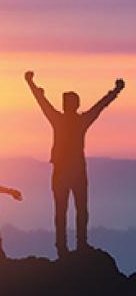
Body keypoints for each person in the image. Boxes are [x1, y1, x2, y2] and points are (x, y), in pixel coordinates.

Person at [25, 71, 125, 258]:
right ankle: (77, 245)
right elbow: (100, 106)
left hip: (66, 171)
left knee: (65, 210)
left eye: (67, 102)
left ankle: (67, 247)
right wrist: (116, 91)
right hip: (74, 171)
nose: (65, 106)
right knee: (76, 209)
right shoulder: (79, 121)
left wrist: (31, 83)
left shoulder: (62, 120)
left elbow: (43, 103)